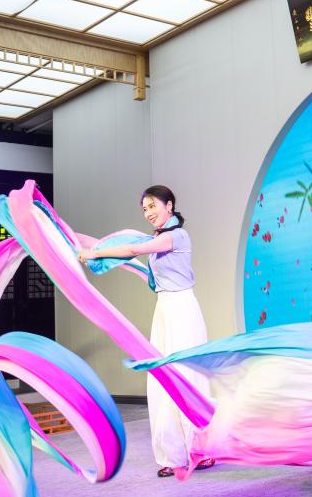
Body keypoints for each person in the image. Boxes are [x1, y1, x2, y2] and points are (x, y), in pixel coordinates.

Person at [78, 185, 215, 478]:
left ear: (169, 205)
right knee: (161, 381)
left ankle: (201, 450)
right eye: (144, 209)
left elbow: (132, 250)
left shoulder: (177, 236)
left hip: (182, 308)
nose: (148, 213)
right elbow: (134, 251)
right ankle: (171, 456)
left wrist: (94, 253)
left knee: (187, 377)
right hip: (164, 308)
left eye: (153, 206)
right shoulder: (158, 238)